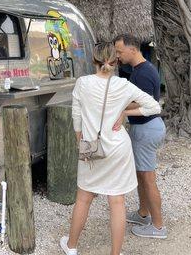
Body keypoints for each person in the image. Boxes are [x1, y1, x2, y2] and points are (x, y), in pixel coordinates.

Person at [60, 42, 161, 255]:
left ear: (94, 60)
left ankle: (71, 247)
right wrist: (124, 113)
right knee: (117, 201)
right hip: (118, 148)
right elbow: (154, 106)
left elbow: (76, 116)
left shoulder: (83, 83)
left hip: (91, 148)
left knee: (83, 198)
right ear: (115, 62)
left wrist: (82, 141)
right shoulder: (124, 85)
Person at [113, 34, 167, 239]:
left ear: (133, 49)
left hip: (146, 128)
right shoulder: (141, 70)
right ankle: (143, 214)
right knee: (141, 175)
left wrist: (119, 107)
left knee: (148, 177)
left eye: (120, 51)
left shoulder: (143, 73)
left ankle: (159, 226)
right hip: (146, 128)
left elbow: (144, 102)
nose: (117, 56)